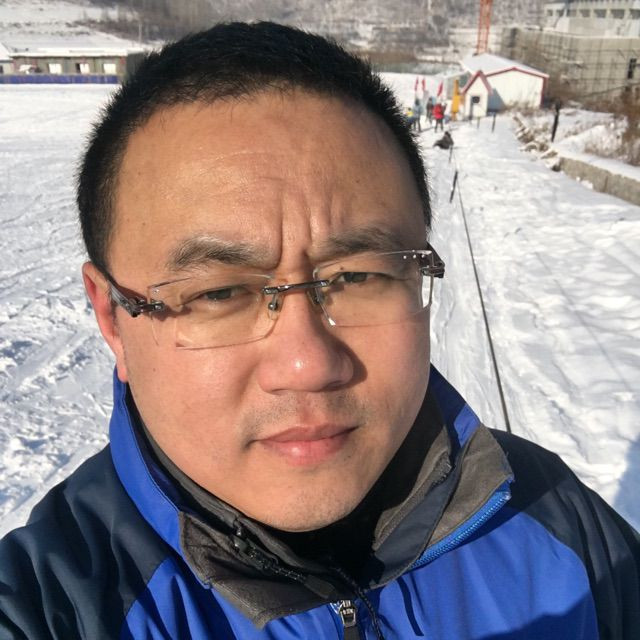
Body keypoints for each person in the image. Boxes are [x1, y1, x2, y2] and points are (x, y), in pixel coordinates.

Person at [0, 21, 637, 640]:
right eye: (219, 292)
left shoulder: (560, 522)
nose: (308, 364)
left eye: (358, 276)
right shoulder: (52, 610)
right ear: (112, 318)